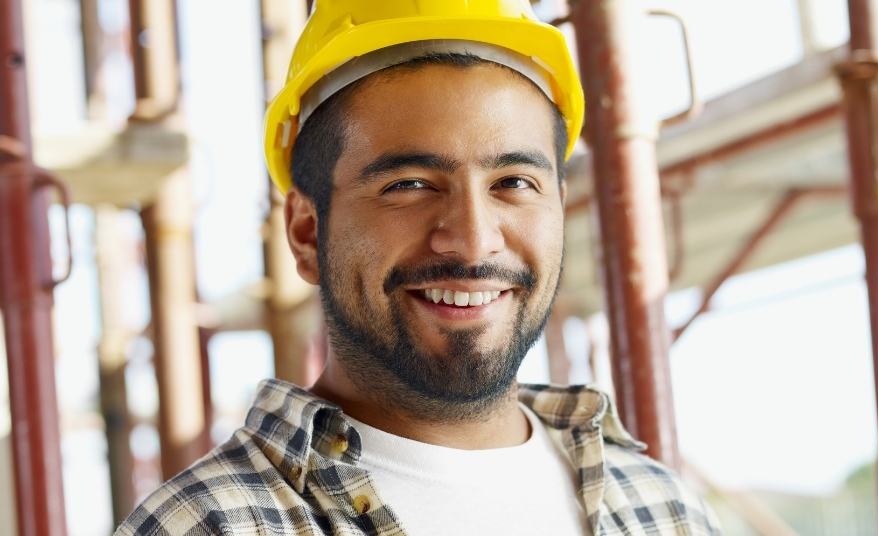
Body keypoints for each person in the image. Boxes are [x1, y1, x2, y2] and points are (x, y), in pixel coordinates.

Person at [116, 1, 720, 534]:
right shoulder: (206, 527)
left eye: (513, 182)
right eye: (409, 184)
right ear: (306, 232)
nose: (473, 240)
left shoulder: (659, 507)